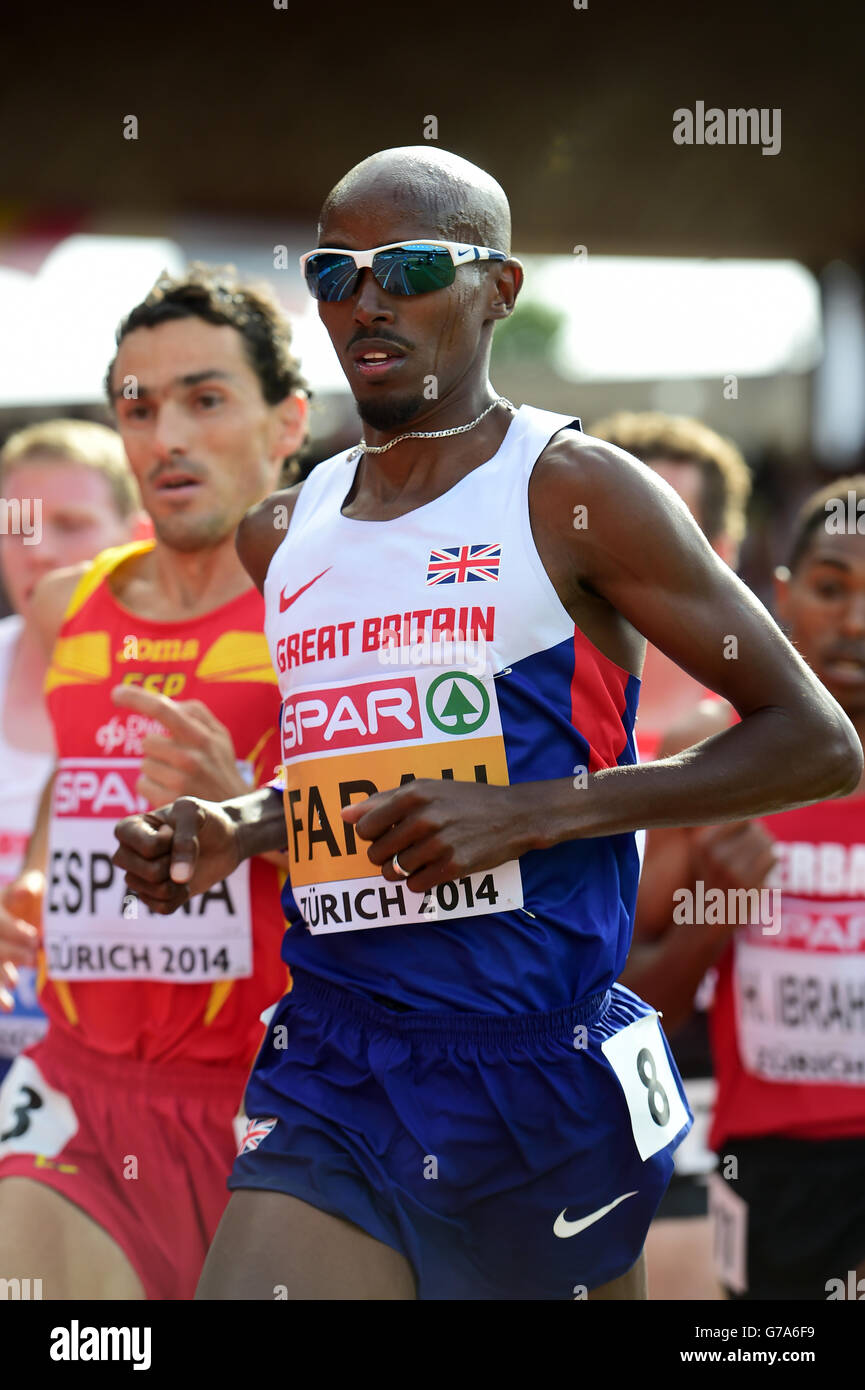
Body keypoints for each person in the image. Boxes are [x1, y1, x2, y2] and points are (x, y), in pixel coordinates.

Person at [115, 147, 860, 1302]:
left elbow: (815, 741)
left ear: (497, 288)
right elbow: (345, 776)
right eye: (334, 271)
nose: (368, 298)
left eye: (410, 265)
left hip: (538, 1070)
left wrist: (533, 814)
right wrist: (236, 825)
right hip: (339, 1050)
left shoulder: (576, 491)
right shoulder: (283, 529)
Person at [0, 264, 307, 1299]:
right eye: (139, 405)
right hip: (82, 1095)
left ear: (287, 422)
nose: (166, 434)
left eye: (205, 398)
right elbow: (72, 791)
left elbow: (423, 862)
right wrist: (35, 890)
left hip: (277, 1107)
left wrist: (254, 815)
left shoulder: (332, 613)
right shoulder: (63, 607)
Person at [626, 476, 865, 1299]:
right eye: (833, 588)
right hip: (769, 1169)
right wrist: (712, 916)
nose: (857, 623)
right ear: (785, 597)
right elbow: (628, 1005)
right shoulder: (717, 753)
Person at [590, 410, 752, 1299]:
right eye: (611, 532)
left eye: (669, 531)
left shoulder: (774, 734)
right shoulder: (526, 714)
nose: (634, 560)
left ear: (719, 548)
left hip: (707, 1094)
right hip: (530, 1080)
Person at [0, 420, 144, 1081]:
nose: (37, 552)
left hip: (121, 1068)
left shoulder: (192, 691)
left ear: (137, 537)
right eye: (17, 525)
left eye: (71, 524)